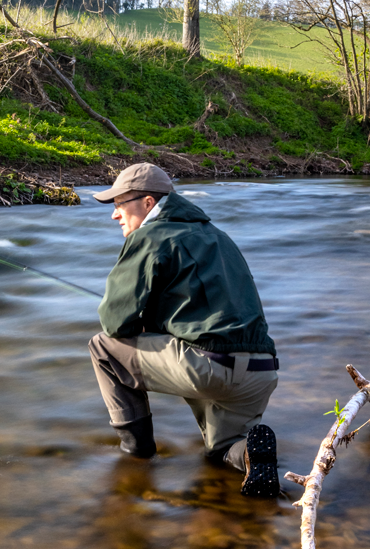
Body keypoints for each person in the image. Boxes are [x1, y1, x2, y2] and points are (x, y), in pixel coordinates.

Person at [88, 163, 281, 498]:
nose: (115, 215)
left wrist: (142, 323)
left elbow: (115, 323)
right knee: (223, 450)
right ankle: (250, 455)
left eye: (120, 204)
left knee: (103, 348)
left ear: (148, 203)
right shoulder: (219, 236)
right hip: (260, 372)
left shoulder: (149, 236)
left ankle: (136, 454)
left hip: (208, 367)